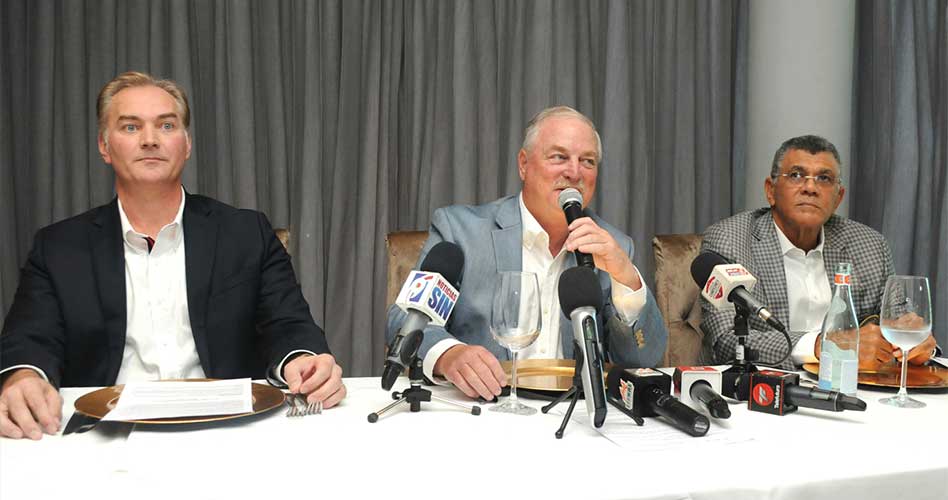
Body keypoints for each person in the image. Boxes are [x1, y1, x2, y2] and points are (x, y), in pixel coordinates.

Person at [0, 71, 346, 440]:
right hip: (106, 433)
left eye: (166, 125)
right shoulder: (58, 247)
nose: (150, 140)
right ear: (104, 145)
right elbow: (30, 339)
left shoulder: (246, 233)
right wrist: (24, 377)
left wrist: (303, 361)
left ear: (187, 144)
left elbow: (288, 324)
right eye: (131, 127)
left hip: (229, 431)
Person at [386, 106, 668, 401]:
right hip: (483, 407)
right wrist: (448, 354)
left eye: (587, 161)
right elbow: (403, 319)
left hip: (572, 411)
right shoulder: (460, 231)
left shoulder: (613, 246)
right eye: (559, 157)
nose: (574, 172)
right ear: (524, 164)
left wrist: (626, 277)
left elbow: (642, 360)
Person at [698, 134, 937, 370]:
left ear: (838, 198)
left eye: (824, 178)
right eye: (796, 175)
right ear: (771, 191)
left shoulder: (870, 246)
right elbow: (725, 340)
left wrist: (918, 347)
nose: (810, 188)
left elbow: (902, 326)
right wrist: (821, 346)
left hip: (850, 385)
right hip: (764, 386)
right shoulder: (730, 240)